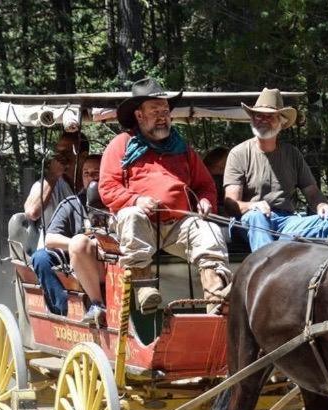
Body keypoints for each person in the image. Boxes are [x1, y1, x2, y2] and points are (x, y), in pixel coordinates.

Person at [99, 77, 231, 314]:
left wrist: (204, 201)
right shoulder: (121, 144)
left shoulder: (182, 148)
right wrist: (136, 200)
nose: (162, 115)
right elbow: (108, 188)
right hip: (140, 225)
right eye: (155, 110)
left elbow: (205, 185)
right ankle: (143, 287)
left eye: (165, 110)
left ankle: (215, 296)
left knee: (207, 229)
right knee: (132, 215)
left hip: (177, 224)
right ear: (139, 115)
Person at [223, 88, 328, 252]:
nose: (263, 120)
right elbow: (230, 204)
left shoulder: (292, 154)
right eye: (258, 115)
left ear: (281, 122)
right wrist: (252, 206)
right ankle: (267, 270)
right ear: (252, 119)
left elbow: (311, 191)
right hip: (249, 222)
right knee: (257, 217)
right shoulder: (239, 153)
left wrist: (322, 206)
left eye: (270, 116)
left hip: (287, 222)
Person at [30, 155, 110, 322]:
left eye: (96, 173)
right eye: (86, 173)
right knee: (40, 257)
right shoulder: (72, 204)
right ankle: (64, 312)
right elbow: (50, 238)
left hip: (109, 260)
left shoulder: (118, 203)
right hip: (78, 259)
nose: (91, 178)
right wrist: (80, 245)